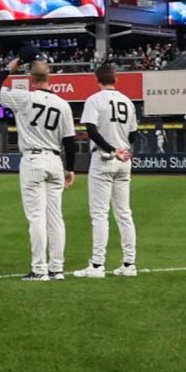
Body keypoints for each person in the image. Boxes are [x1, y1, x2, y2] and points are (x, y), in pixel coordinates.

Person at [0, 48, 76, 280]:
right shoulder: (63, 104)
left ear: (31, 79)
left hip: (34, 160)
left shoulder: (24, 97)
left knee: (37, 217)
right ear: (50, 78)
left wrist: (8, 68)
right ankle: (57, 268)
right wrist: (70, 169)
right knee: (56, 217)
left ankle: (39, 269)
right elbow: (70, 141)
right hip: (56, 161)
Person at [74, 64, 138, 279]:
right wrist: (123, 150)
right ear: (115, 79)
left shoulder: (95, 99)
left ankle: (97, 265)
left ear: (97, 79)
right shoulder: (128, 101)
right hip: (124, 160)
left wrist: (112, 149)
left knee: (100, 214)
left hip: (104, 158)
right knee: (124, 213)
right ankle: (129, 263)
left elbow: (90, 129)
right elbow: (133, 134)